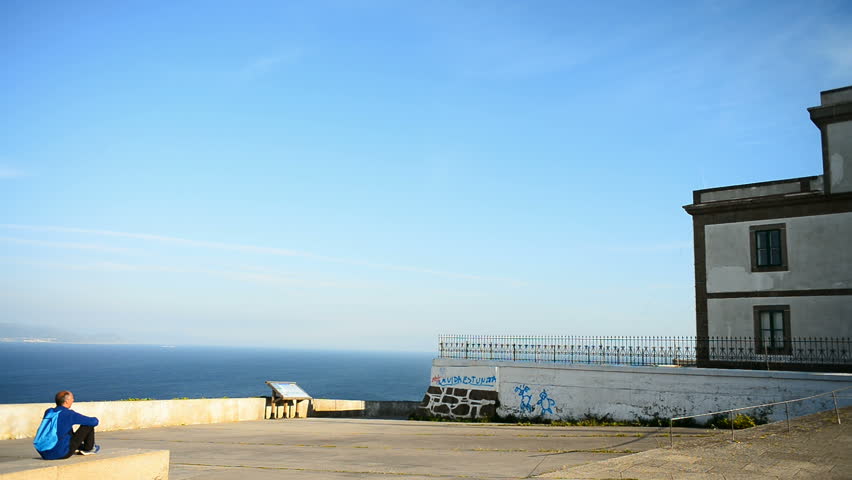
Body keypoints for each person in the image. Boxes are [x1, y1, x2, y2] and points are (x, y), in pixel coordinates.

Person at [35, 390, 100, 460]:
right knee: (88, 425)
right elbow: (94, 422)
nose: (73, 400)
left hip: (44, 453)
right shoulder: (68, 414)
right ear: (66, 401)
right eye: (72, 398)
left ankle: (80, 447)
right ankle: (88, 449)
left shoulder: (49, 411)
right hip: (61, 453)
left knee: (66, 427)